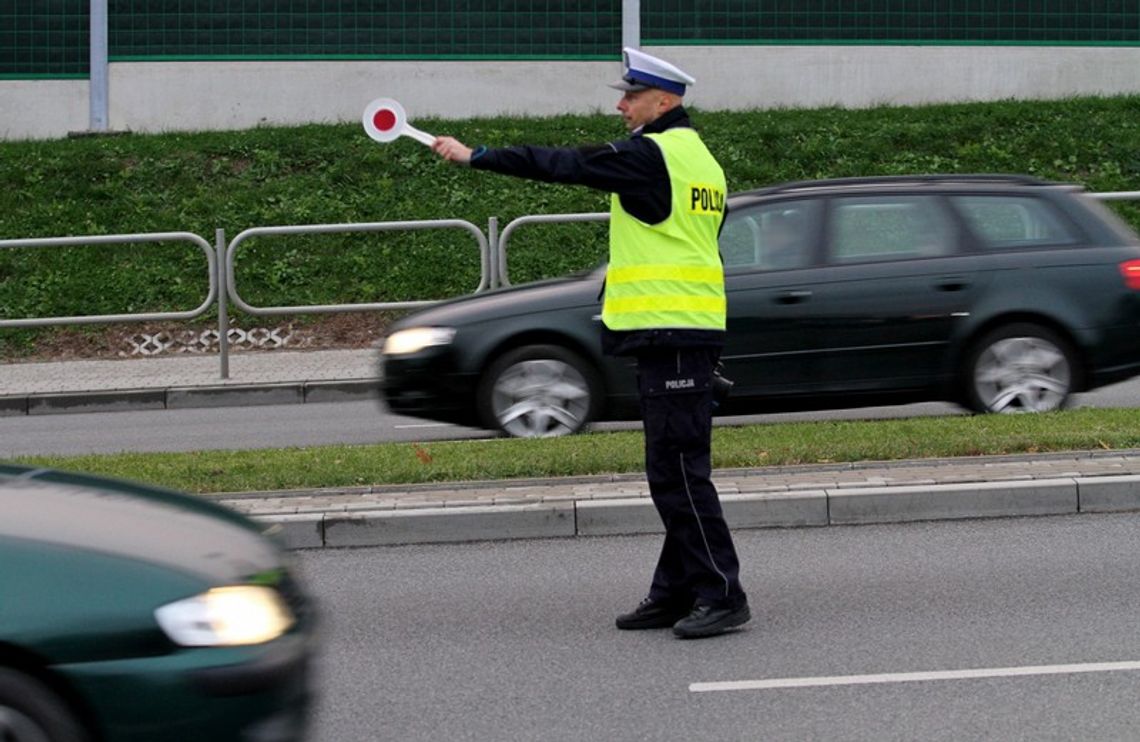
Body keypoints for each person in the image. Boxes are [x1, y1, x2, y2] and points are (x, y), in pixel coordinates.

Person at [431, 47, 750, 639]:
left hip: (674, 330)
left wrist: (477, 156)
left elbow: (566, 164)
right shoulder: (700, 160)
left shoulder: (650, 155)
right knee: (676, 468)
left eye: (630, 96)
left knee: (677, 472)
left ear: (665, 100)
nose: (621, 106)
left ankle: (723, 593)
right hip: (686, 329)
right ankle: (675, 591)